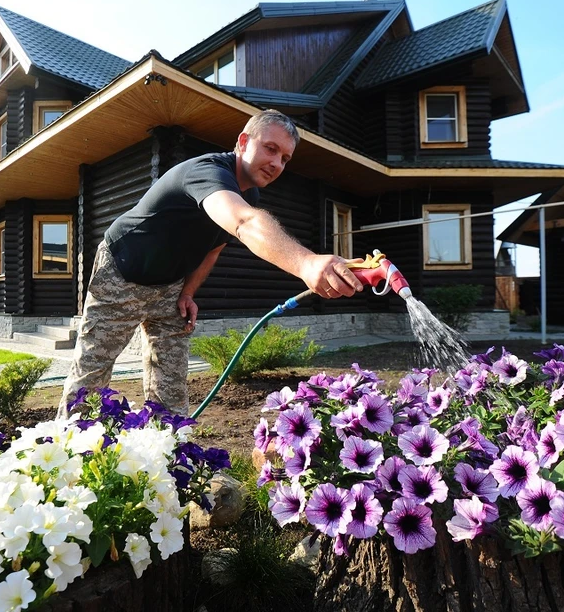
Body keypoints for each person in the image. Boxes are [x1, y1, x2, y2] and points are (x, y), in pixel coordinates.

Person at [59, 109, 363, 415]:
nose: (276, 163)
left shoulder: (250, 195)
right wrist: (306, 263)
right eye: (270, 148)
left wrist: (188, 292)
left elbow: (213, 249)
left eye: (285, 158)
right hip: (122, 270)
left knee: (171, 386)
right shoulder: (207, 172)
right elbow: (244, 223)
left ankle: (168, 450)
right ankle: (65, 452)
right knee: (91, 375)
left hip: (170, 287)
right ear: (243, 142)